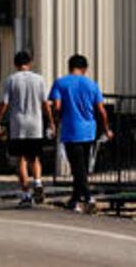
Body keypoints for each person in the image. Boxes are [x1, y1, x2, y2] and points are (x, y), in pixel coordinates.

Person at [48, 54, 113, 213]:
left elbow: (56, 107)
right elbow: (101, 110)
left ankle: (88, 197)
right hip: (89, 130)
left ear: (69, 66)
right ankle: (74, 199)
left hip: (70, 130)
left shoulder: (61, 83)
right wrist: (106, 129)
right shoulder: (92, 85)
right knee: (81, 165)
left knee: (78, 167)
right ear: (84, 69)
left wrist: (55, 124)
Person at [0, 51, 55, 208]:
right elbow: (45, 103)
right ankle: (38, 182)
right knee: (34, 157)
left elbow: (5, 103)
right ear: (30, 63)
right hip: (36, 123)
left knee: (21, 159)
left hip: (18, 123)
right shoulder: (39, 79)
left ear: (16, 64)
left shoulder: (11, 80)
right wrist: (51, 121)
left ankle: (26, 194)